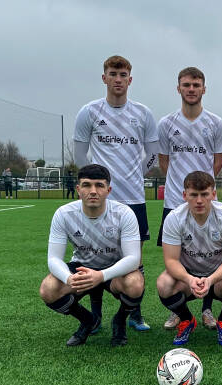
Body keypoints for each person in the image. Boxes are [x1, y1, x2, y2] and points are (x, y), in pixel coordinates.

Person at [73, 55, 157, 333]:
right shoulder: (89, 112)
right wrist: (96, 185)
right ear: (104, 78)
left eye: (123, 75)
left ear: (130, 79)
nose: (118, 79)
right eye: (113, 73)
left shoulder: (143, 114)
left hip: (133, 198)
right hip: (100, 199)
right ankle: (95, 314)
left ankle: (134, 314)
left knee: (136, 258)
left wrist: (134, 175)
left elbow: (153, 154)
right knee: (95, 254)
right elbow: (80, 154)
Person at [38, 164, 145, 347]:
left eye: (99, 185)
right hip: (81, 268)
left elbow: (133, 258)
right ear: (78, 189)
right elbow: (54, 258)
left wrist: (101, 275)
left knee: (135, 284)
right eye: (87, 185)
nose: (93, 191)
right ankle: (88, 320)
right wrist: (68, 278)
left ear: (108, 190)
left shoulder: (124, 213)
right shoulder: (63, 214)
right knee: (48, 289)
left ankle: (119, 320)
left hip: (114, 270)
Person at [157, 66, 222, 331]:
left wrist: (201, 191)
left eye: (196, 85)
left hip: (205, 202)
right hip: (175, 202)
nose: (191, 89)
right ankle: (179, 311)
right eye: (186, 85)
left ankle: (208, 309)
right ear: (178, 89)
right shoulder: (166, 124)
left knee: (209, 256)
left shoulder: (216, 123)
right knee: (181, 258)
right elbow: (165, 162)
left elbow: (217, 162)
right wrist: (181, 190)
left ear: (203, 89)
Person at [156, 171, 222, 346]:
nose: (199, 200)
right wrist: (190, 279)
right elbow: (171, 261)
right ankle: (187, 320)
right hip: (188, 277)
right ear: (185, 195)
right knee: (164, 283)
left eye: (204, 194)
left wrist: (211, 279)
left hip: (218, 277)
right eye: (194, 195)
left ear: (213, 194)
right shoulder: (174, 218)